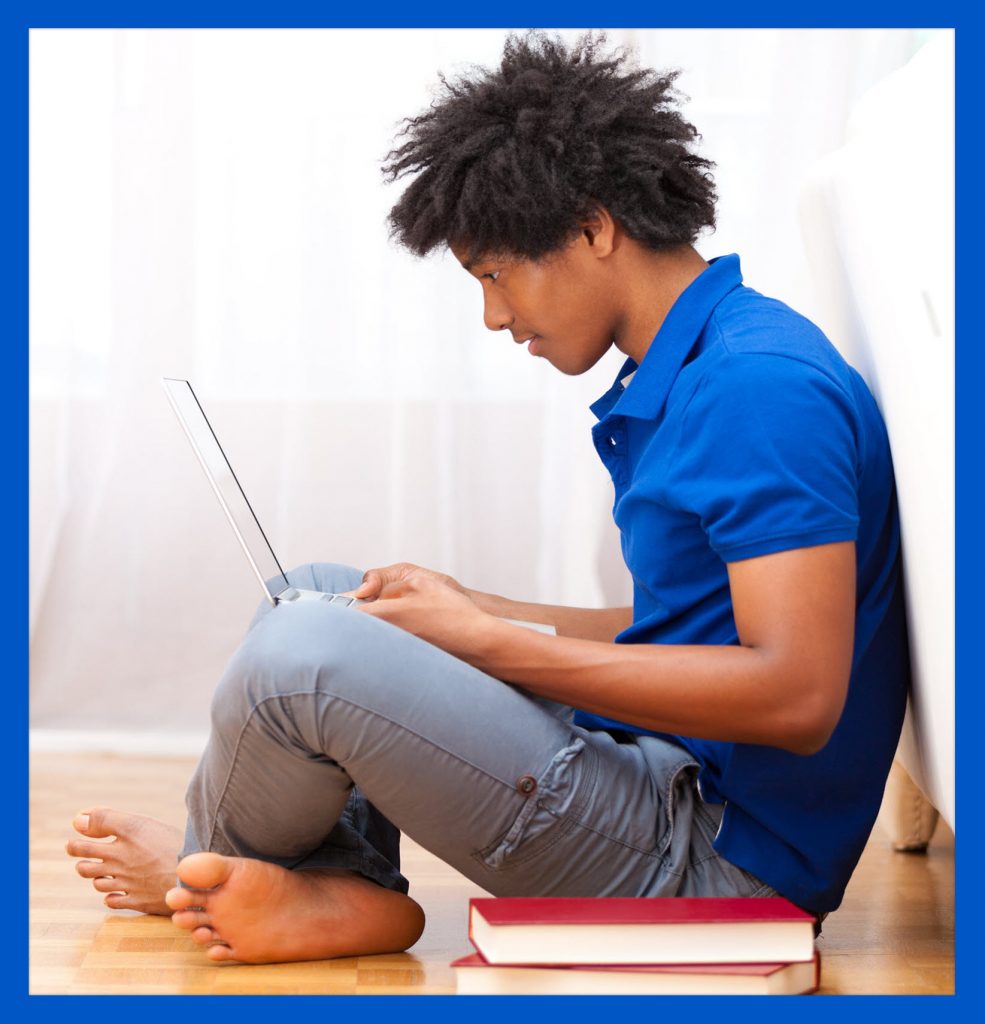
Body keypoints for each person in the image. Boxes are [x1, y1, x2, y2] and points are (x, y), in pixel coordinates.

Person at [66, 31, 908, 965]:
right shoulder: (717, 360)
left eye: (495, 275)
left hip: (717, 866)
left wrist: (490, 645)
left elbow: (796, 694)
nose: (495, 318)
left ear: (592, 229)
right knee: (318, 592)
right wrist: (480, 611)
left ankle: (208, 866)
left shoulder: (757, 390)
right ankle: (334, 887)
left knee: (302, 654)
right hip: (663, 774)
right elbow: (700, 628)